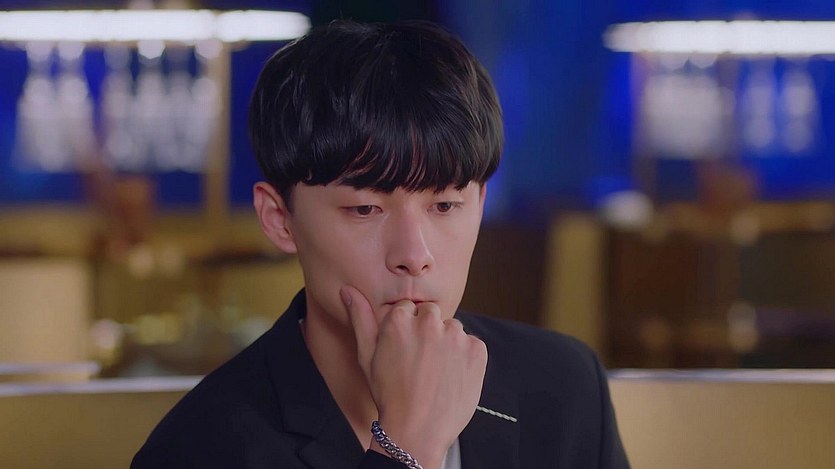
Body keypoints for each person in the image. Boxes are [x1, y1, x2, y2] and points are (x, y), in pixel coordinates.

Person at [132, 20, 629, 469]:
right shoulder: (200, 447)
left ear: (479, 205)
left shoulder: (563, 385)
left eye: (444, 206)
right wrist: (406, 445)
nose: (414, 255)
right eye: (365, 210)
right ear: (279, 219)